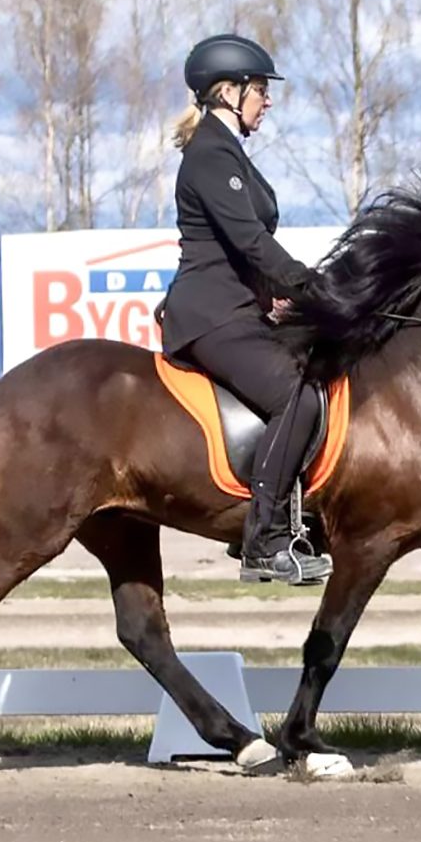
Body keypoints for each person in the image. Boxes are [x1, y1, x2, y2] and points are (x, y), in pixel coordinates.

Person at [157, 33, 332, 587]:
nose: (268, 100)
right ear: (228, 92)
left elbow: (247, 251)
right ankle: (263, 542)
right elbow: (250, 241)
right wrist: (307, 285)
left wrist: (282, 301)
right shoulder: (210, 154)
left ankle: (312, 521)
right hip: (210, 314)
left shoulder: (229, 153)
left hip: (241, 309)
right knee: (296, 398)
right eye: (260, 89)